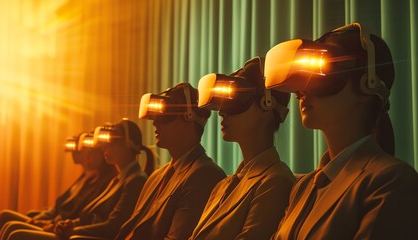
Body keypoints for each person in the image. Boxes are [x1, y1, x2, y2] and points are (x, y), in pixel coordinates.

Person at [265, 23, 418, 239]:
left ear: (368, 84)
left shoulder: (392, 181)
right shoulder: (304, 187)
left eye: (323, 73)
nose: (304, 89)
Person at [189, 57, 296, 240]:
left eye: (236, 100)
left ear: (267, 104)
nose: (222, 112)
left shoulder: (275, 181)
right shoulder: (222, 186)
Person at [4, 119, 154, 240]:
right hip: (77, 232)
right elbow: (88, 216)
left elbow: (113, 227)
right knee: (11, 226)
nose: (104, 149)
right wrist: (67, 225)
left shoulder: (136, 180)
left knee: (15, 233)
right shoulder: (119, 179)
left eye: (110, 143)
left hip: (83, 236)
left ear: (128, 145)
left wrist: (72, 230)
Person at [114, 83, 226, 240]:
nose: (155, 123)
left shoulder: (205, 174)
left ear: (189, 116)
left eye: (165, 114)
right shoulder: (156, 176)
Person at [0, 132, 116, 240]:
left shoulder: (104, 183)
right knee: (5, 216)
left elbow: (79, 216)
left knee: (13, 229)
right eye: (83, 150)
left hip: (60, 227)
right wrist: (40, 217)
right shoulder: (86, 178)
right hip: (55, 221)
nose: (84, 155)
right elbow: (60, 207)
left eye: (90, 152)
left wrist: (49, 222)